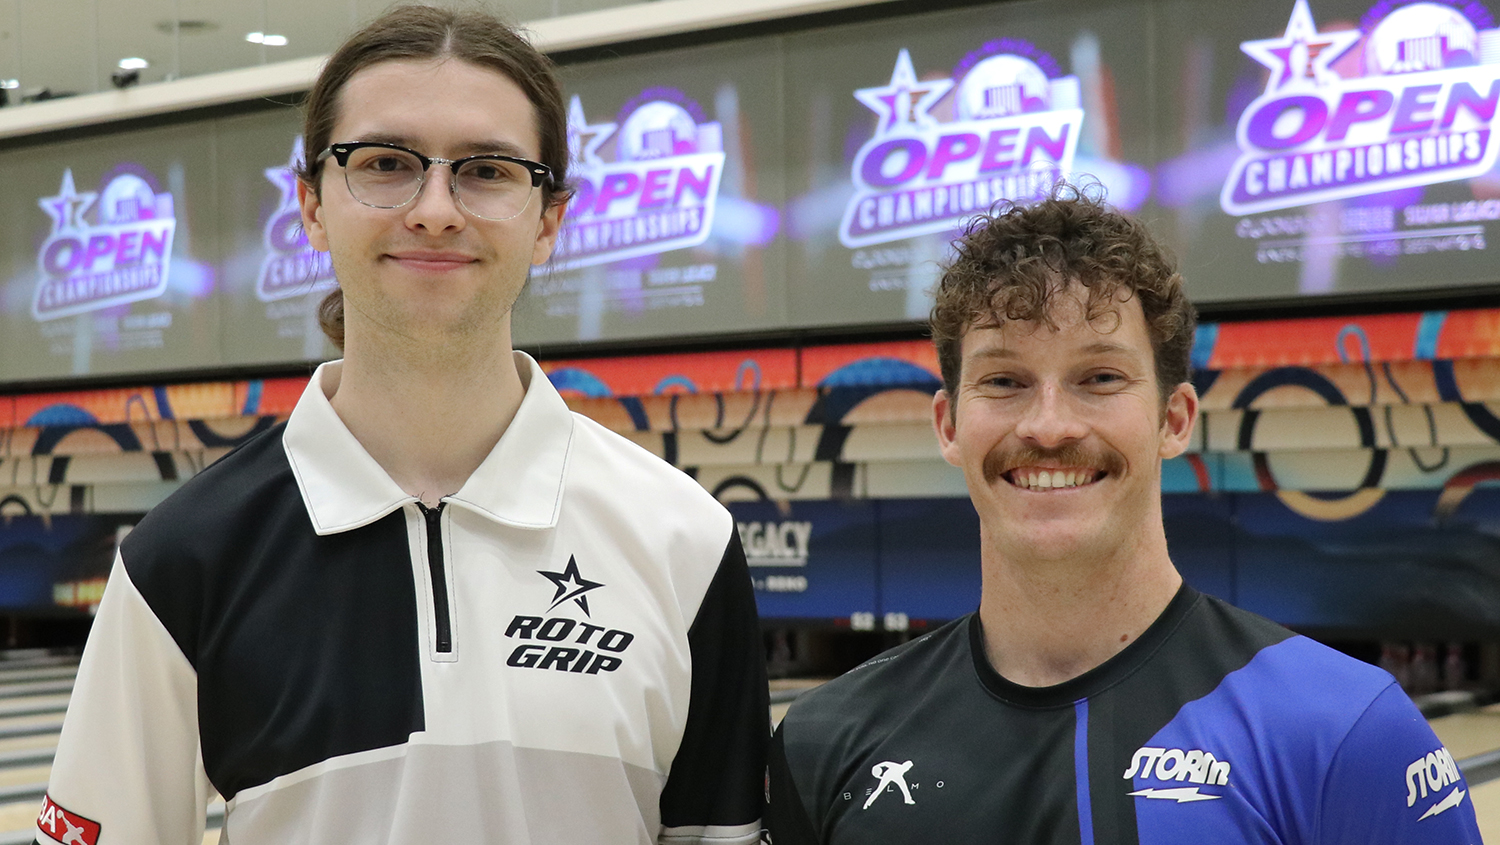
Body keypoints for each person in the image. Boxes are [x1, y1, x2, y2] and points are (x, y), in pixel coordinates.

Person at [36, 7, 767, 845]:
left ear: (549, 220)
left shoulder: (684, 541)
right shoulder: (183, 560)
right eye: (385, 163)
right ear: (312, 205)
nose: (434, 208)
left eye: (487, 169)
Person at [764, 186, 1483, 844]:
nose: (1049, 426)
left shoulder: (1347, 735)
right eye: (1005, 380)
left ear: (1174, 418)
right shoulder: (827, 739)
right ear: (949, 425)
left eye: (1100, 377)